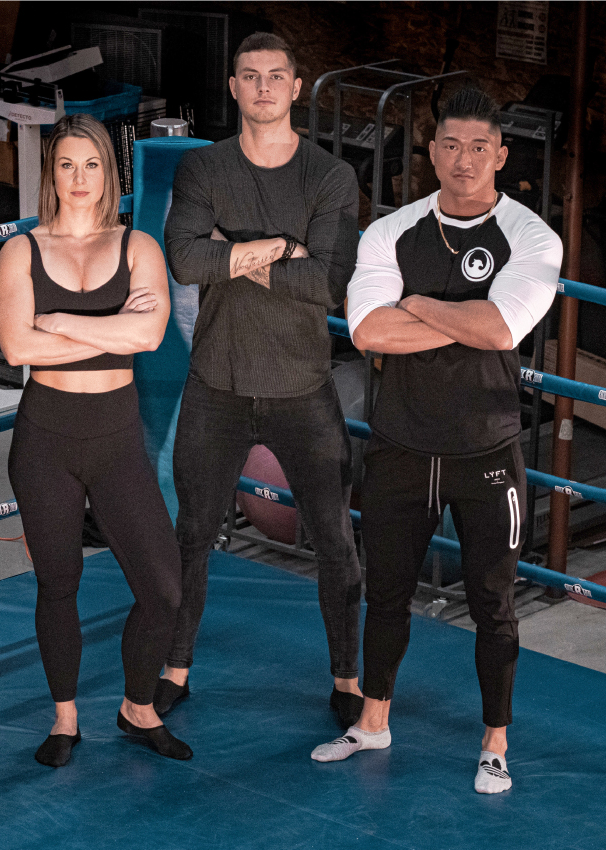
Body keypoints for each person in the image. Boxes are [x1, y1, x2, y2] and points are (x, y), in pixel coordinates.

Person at [311, 88, 561, 795]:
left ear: (501, 156)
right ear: (431, 151)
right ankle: (373, 722)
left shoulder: (533, 238)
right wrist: (462, 319)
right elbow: (368, 331)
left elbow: (501, 330)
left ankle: (494, 744)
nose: (464, 160)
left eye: (480, 147)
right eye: (451, 145)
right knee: (385, 593)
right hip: (401, 446)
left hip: (486, 450)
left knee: (493, 603)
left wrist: (416, 304)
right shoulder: (391, 232)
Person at [160, 32, 365, 727]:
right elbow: (185, 261)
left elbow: (326, 284)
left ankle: (346, 678)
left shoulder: (330, 176)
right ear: (234, 87)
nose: (264, 87)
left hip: (302, 384)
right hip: (216, 382)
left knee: (335, 540)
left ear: (296, 87)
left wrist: (234, 250)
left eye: (277, 76)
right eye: (251, 76)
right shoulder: (204, 167)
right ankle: (175, 669)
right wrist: (283, 247)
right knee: (192, 534)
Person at [0, 114, 189, 767]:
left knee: (163, 589)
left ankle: (137, 707)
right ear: (51, 173)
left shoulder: (138, 248)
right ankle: (65, 719)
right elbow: (16, 346)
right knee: (59, 582)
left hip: (116, 434)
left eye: (93, 164)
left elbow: (148, 336)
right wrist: (108, 328)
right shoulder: (21, 251)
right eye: (67, 164)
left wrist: (56, 320)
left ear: (110, 171)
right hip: (46, 436)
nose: (80, 178)